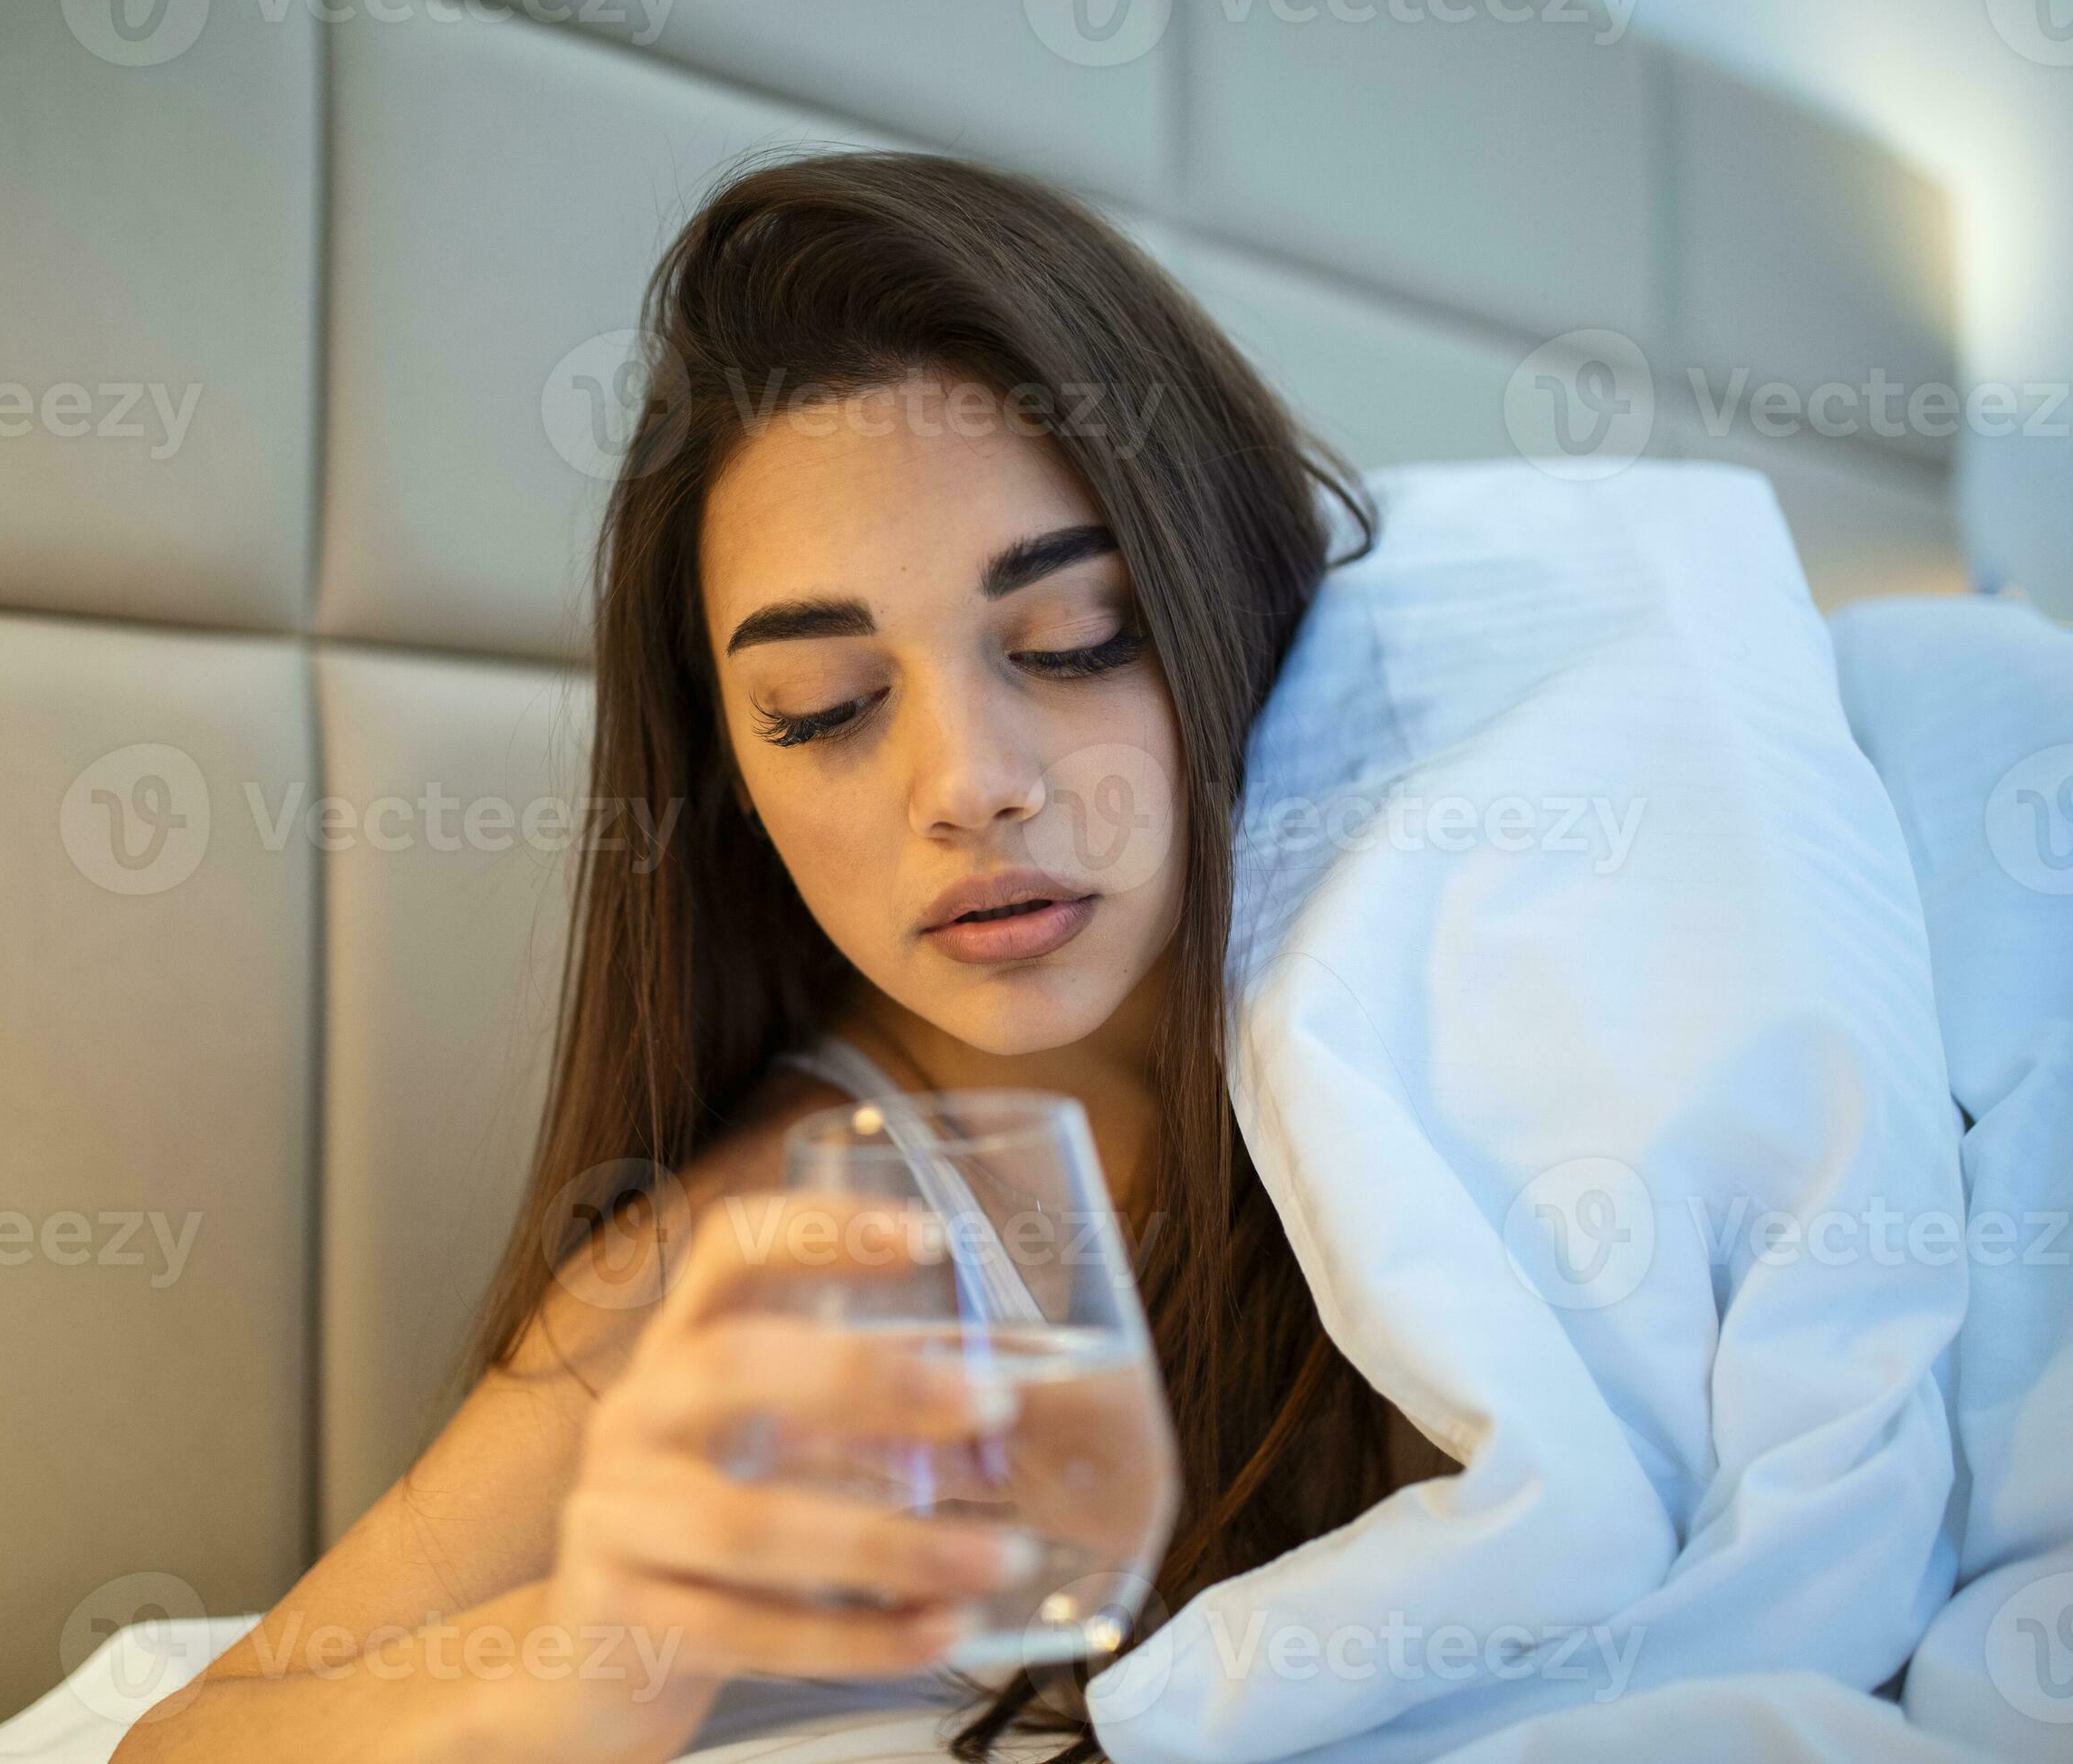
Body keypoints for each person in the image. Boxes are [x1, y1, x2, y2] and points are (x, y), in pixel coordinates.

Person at [110, 147, 1453, 1764]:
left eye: (1074, 638)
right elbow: (184, 1744)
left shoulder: (1459, 956)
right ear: (734, 777)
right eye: (825, 708)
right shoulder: (779, 1248)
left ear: (1222, 603)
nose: (969, 784)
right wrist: (615, 1640)